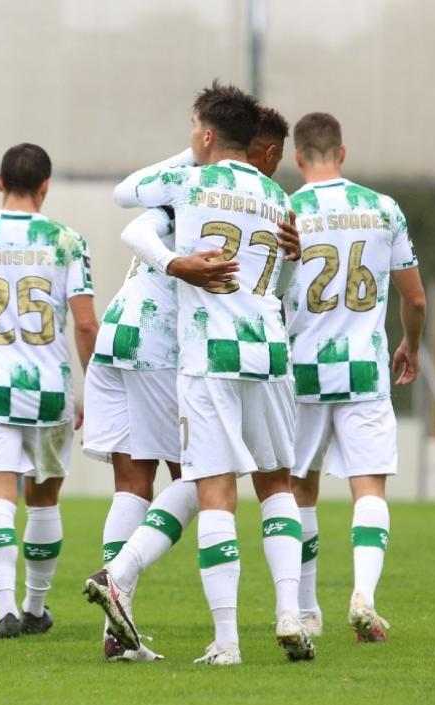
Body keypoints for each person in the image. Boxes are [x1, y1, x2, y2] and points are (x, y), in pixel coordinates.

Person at [85, 82, 312, 666]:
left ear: (207, 135)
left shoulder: (188, 183)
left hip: (207, 353)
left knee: (212, 490)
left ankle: (225, 640)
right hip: (269, 353)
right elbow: (280, 272)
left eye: (194, 129)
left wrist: (174, 262)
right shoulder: (277, 196)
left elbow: (125, 200)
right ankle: (290, 614)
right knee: (276, 485)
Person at [284, 112, 425, 643]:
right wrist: (411, 343)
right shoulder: (383, 208)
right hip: (364, 368)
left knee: (300, 488)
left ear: (298, 157)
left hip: (301, 369)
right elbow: (415, 298)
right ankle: (364, 595)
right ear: (342, 153)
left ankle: (307, 612)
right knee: (369, 487)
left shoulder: (286, 211)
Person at [0, 143, 96, 639]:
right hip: (49, 389)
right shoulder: (66, 240)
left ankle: (4, 609)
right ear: (45, 187)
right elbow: (85, 324)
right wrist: (94, 390)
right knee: (43, 500)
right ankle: (35, 607)